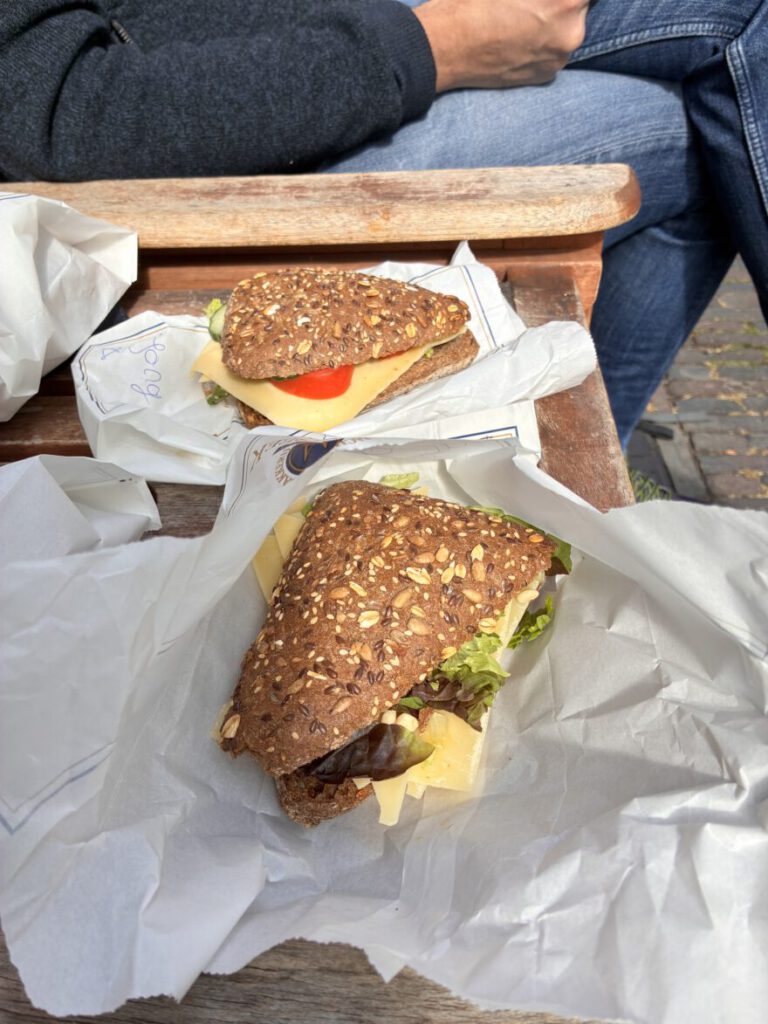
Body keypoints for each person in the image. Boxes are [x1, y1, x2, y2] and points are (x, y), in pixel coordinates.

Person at [1, 0, 766, 446]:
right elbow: (66, 115)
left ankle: (570, 473)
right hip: (232, 149)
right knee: (714, 101)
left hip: (303, 32)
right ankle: (575, 476)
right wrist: (434, 45)